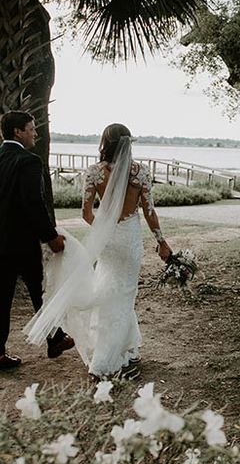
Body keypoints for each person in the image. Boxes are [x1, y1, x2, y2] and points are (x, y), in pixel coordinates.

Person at [25, 123, 172, 379]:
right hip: (131, 240)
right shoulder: (141, 173)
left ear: (105, 143)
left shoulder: (94, 172)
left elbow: (86, 213)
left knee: (110, 292)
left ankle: (126, 345)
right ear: (128, 144)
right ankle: (103, 361)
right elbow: (149, 212)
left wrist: (104, 229)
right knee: (124, 294)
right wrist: (161, 241)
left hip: (107, 241)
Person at [0, 111, 75, 370]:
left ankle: (0, 353)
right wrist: (51, 237)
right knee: (39, 290)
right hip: (21, 242)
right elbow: (33, 203)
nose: (35, 133)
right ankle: (54, 338)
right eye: (31, 129)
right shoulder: (28, 161)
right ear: (17, 132)